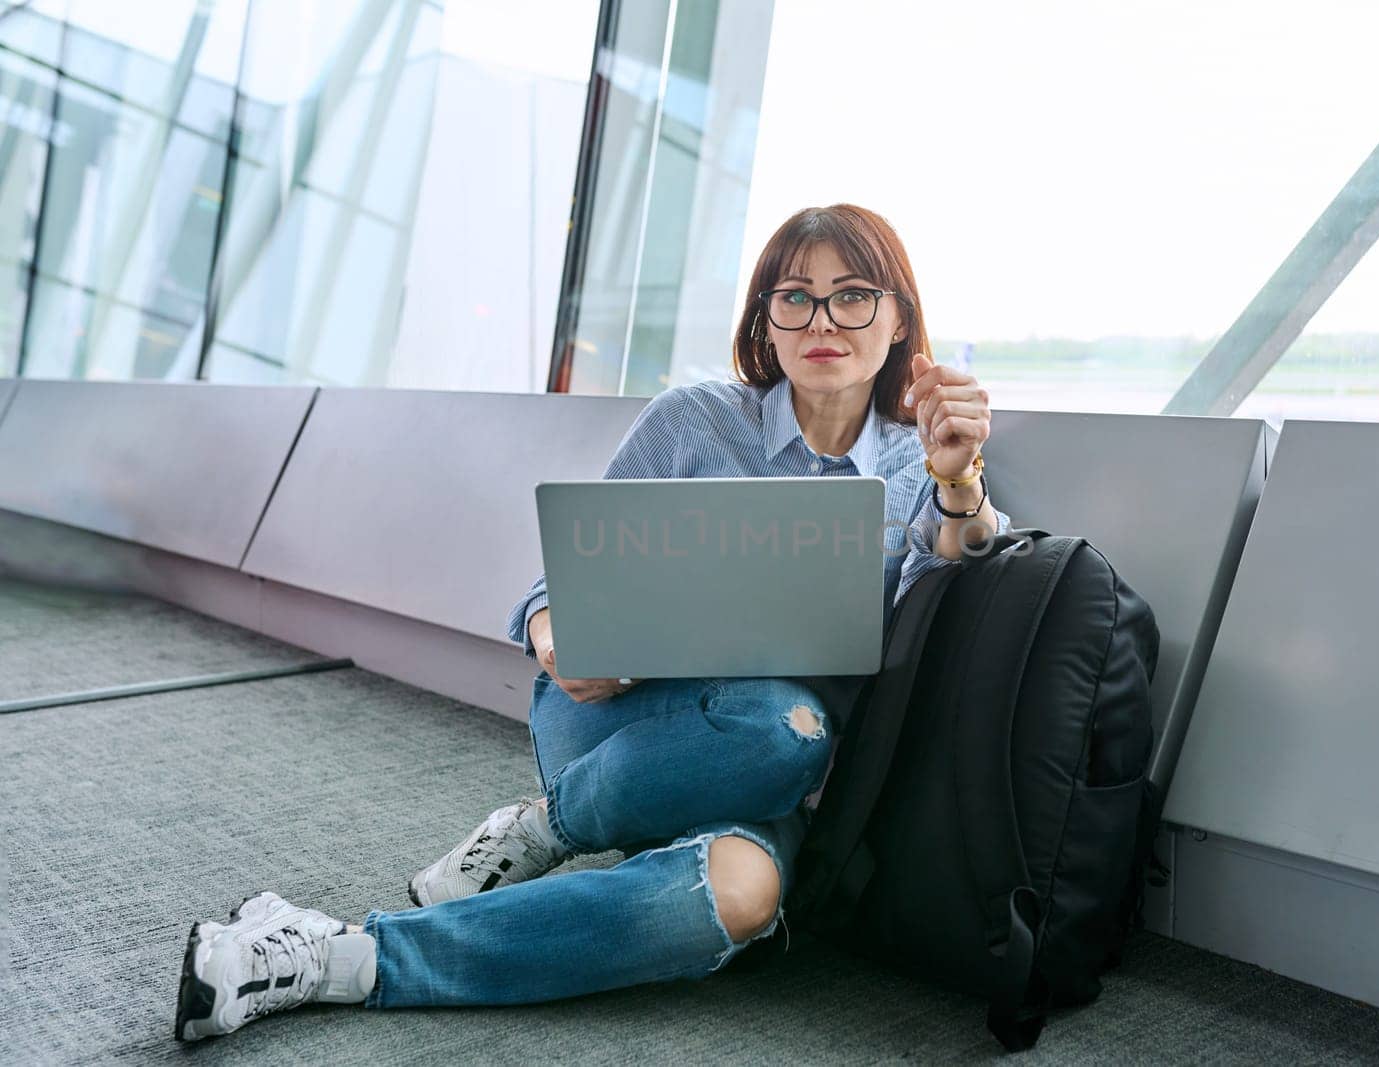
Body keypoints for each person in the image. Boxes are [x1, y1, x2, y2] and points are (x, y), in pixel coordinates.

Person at [173, 203, 1011, 1041]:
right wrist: (554, 635)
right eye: (795, 296)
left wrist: (957, 481)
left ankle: (341, 956)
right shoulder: (694, 421)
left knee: (745, 888)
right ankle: (554, 818)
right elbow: (561, 582)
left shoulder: (918, 462)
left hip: (781, 771)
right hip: (614, 723)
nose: (822, 319)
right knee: (788, 726)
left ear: (898, 315)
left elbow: (944, 589)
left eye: (852, 295)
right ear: (766, 318)